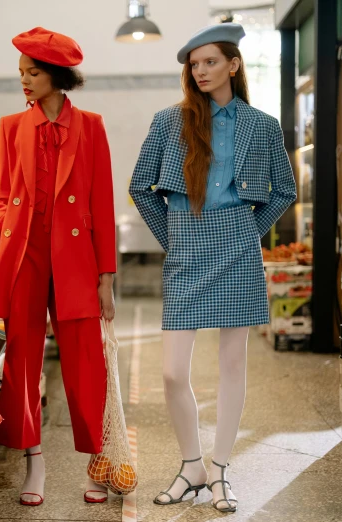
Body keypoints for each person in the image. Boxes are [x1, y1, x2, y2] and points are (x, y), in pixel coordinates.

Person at [0, 27, 117, 506]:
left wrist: (106, 278)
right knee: (23, 365)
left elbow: (102, 204)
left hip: (75, 262)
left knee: (84, 368)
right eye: (21, 73)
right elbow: (5, 201)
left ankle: (96, 463)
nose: (25, 81)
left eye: (33, 73)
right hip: (24, 258)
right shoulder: (12, 127)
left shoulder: (92, 126)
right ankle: (35, 462)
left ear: (57, 75)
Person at [129, 24, 296, 513]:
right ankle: (191, 465)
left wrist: (249, 231)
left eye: (209, 62)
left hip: (237, 244)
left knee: (232, 365)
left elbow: (283, 189)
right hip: (187, 241)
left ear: (233, 65)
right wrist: (172, 238)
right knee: (172, 372)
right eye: (193, 64)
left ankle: (218, 470)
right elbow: (142, 186)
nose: (200, 71)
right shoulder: (169, 121)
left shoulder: (261, 125)